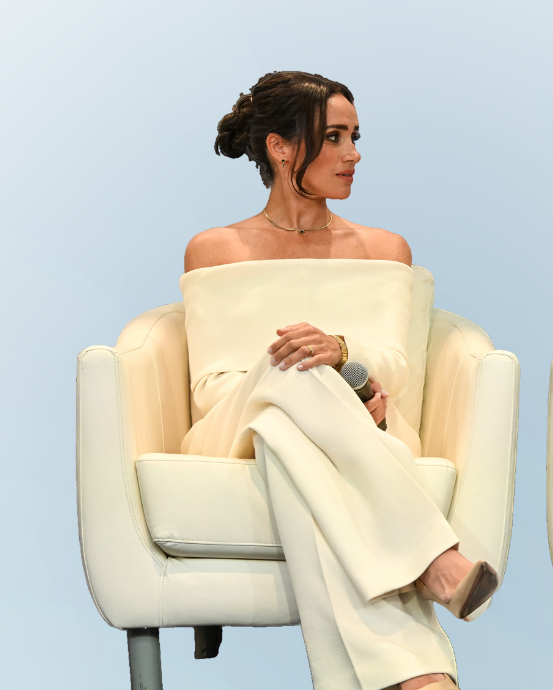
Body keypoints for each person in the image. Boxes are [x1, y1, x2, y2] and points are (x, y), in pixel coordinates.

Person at [181, 71, 497, 690]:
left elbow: (394, 368)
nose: (353, 154)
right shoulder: (215, 249)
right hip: (230, 428)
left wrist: (345, 367)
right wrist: (309, 367)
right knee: (289, 365)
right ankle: (433, 557)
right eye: (333, 137)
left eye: (355, 137)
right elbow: (210, 387)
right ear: (279, 147)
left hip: (352, 424)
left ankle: (417, 679)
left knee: (286, 439)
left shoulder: (384, 249)